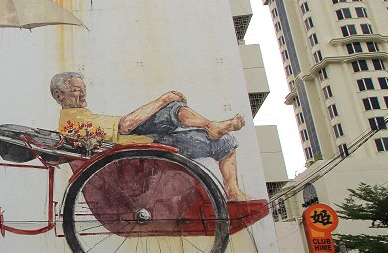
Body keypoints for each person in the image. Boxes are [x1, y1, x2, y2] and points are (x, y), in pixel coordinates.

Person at [50, 71, 249, 201]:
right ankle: (231, 187)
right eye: (77, 91)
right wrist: (162, 99)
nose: (83, 95)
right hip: (140, 151)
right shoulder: (73, 123)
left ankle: (210, 125)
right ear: (59, 95)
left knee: (173, 109)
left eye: (83, 90)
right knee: (222, 141)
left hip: (135, 143)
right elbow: (126, 126)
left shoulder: (81, 117)